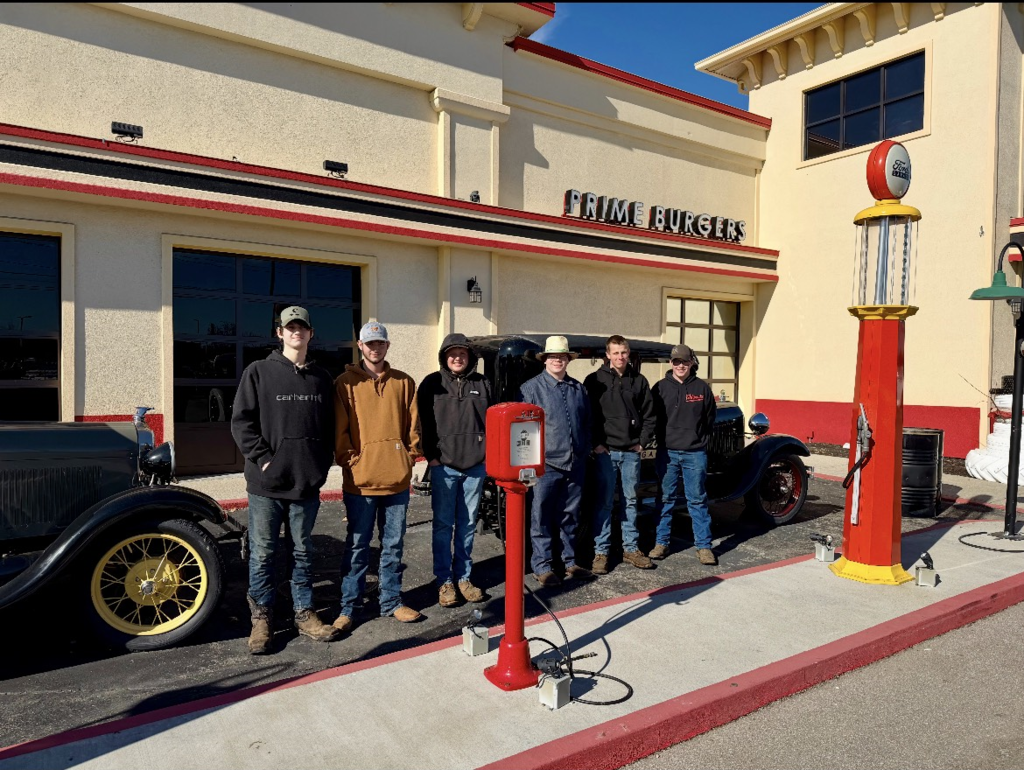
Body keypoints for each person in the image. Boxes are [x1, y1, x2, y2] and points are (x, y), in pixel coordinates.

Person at [230, 305, 338, 655]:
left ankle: (304, 613)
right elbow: (241, 422)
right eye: (289, 328)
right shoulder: (259, 372)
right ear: (279, 333)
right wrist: (263, 459)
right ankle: (262, 617)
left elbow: (330, 427)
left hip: (305, 483)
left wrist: (322, 464)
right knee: (263, 553)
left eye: (302, 328)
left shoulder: (322, 378)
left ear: (310, 333)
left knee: (303, 552)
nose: (296, 333)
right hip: (266, 486)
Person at [333, 321, 423, 631]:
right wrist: (352, 461)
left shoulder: (404, 382)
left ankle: (391, 602)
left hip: (396, 481)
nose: (375, 348)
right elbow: (340, 433)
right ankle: (349, 607)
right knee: (357, 547)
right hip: (360, 483)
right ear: (360, 346)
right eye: (370, 344)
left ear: (387, 346)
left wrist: (407, 457)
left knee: (393, 545)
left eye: (380, 343)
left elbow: (413, 426)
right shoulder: (344, 383)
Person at [418, 333, 493, 608]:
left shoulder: (483, 383)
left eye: (462, 353)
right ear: (444, 356)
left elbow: (492, 424)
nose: (457, 358)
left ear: (470, 356)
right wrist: (432, 458)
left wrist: (487, 458)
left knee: (468, 525)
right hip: (444, 467)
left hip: (475, 467)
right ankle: (444, 581)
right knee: (442, 526)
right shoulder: (432, 383)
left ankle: (464, 578)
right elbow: (423, 422)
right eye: (452, 353)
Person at [517, 335, 594, 586]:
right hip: (545, 466)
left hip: (575, 464)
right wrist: (528, 467)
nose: (557, 361)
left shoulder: (578, 388)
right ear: (545, 360)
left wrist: (585, 450)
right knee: (541, 516)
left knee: (570, 515)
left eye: (562, 357)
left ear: (568, 360)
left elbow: (587, 423)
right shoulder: (530, 389)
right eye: (553, 357)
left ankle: (570, 562)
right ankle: (543, 566)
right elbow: (524, 431)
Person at [584, 334, 656, 574]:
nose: (620, 357)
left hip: (631, 453)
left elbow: (649, 415)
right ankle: (601, 552)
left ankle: (631, 548)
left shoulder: (639, 381)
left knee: (631, 501)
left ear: (629, 353)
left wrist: (642, 442)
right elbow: (588, 416)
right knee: (603, 502)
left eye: (623, 352)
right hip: (606, 452)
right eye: (615, 353)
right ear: (607, 355)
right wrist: (596, 444)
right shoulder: (594, 380)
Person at [652, 344, 718, 566]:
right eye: (676, 361)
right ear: (670, 363)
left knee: (697, 500)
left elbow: (709, 419)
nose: (680, 365)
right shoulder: (660, 388)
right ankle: (661, 543)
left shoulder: (702, 389)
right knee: (665, 498)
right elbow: (653, 419)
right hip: (667, 453)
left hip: (694, 453)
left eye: (685, 361)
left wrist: (697, 440)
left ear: (692, 363)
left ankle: (704, 546)